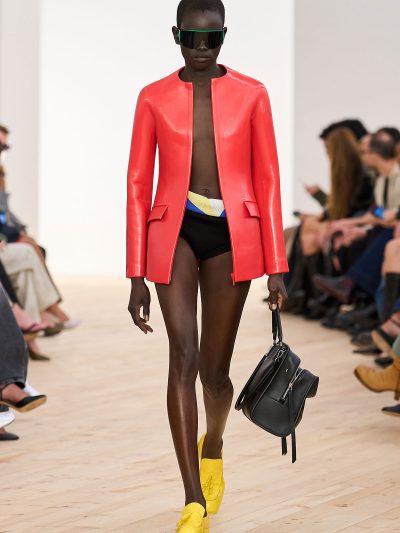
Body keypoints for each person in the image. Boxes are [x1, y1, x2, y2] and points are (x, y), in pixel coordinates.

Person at [126, 1, 288, 530]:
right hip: (173, 230)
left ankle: (213, 443)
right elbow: (137, 184)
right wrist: (135, 274)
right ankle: (192, 498)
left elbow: (267, 178)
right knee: (183, 357)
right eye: (191, 38)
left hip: (232, 235)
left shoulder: (253, 93)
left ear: (224, 36)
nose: (200, 48)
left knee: (215, 374)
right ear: (175, 35)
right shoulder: (152, 97)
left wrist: (277, 264)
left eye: (211, 38)